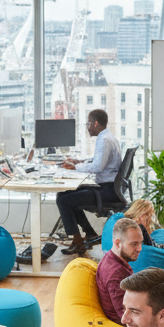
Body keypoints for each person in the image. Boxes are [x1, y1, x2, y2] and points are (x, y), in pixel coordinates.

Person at [56, 109, 123, 257]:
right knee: (65, 194)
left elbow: (98, 167)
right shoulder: (107, 137)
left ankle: (78, 240)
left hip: (108, 191)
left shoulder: (104, 140)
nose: (87, 127)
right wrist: (80, 162)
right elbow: (98, 161)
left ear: (95, 123)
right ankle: (89, 234)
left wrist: (75, 167)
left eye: (88, 123)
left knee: (64, 200)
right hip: (108, 187)